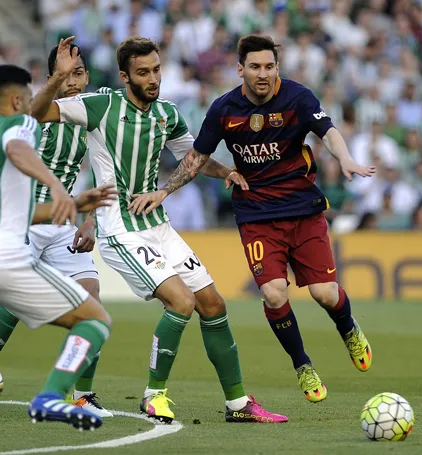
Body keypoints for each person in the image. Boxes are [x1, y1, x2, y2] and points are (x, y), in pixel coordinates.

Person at [31, 37, 286, 424]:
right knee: (181, 302)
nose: (153, 79)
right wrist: (58, 78)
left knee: (213, 304)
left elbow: (193, 157)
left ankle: (238, 404)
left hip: (157, 225)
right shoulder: (100, 106)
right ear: (125, 77)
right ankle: (154, 396)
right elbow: (36, 113)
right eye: (143, 73)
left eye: (156, 70)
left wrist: (227, 171)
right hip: (121, 229)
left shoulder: (167, 113)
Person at [131, 35, 376, 403]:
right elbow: (196, 158)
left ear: (277, 68)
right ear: (240, 69)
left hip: (303, 209)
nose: (263, 74)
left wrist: (345, 159)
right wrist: (164, 190)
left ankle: (349, 328)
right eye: (255, 67)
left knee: (324, 293)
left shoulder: (297, 97)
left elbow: (328, 132)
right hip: (257, 214)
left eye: (269, 66)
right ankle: (302, 364)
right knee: (273, 293)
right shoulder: (224, 109)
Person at [0, 64, 117, 429]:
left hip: (47, 222)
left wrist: (78, 205)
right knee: (94, 320)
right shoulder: (17, 126)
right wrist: (54, 184)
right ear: (17, 100)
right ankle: (51, 395)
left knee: (90, 296)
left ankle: (81, 394)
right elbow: (18, 146)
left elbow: (19, 210)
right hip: (11, 248)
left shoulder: (83, 118)